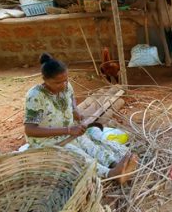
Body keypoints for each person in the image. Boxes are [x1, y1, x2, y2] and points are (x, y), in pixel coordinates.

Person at [24, 53, 137, 183]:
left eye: (66, 80)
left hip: (68, 133)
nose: (63, 85)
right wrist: (67, 130)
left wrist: (75, 112)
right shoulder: (36, 96)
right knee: (76, 155)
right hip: (48, 141)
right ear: (45, 79)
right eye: (57, 82)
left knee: (90, 145)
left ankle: (114, 164)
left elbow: (71, 100)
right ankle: (110, 174)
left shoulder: (67, 86)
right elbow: (30, 129)